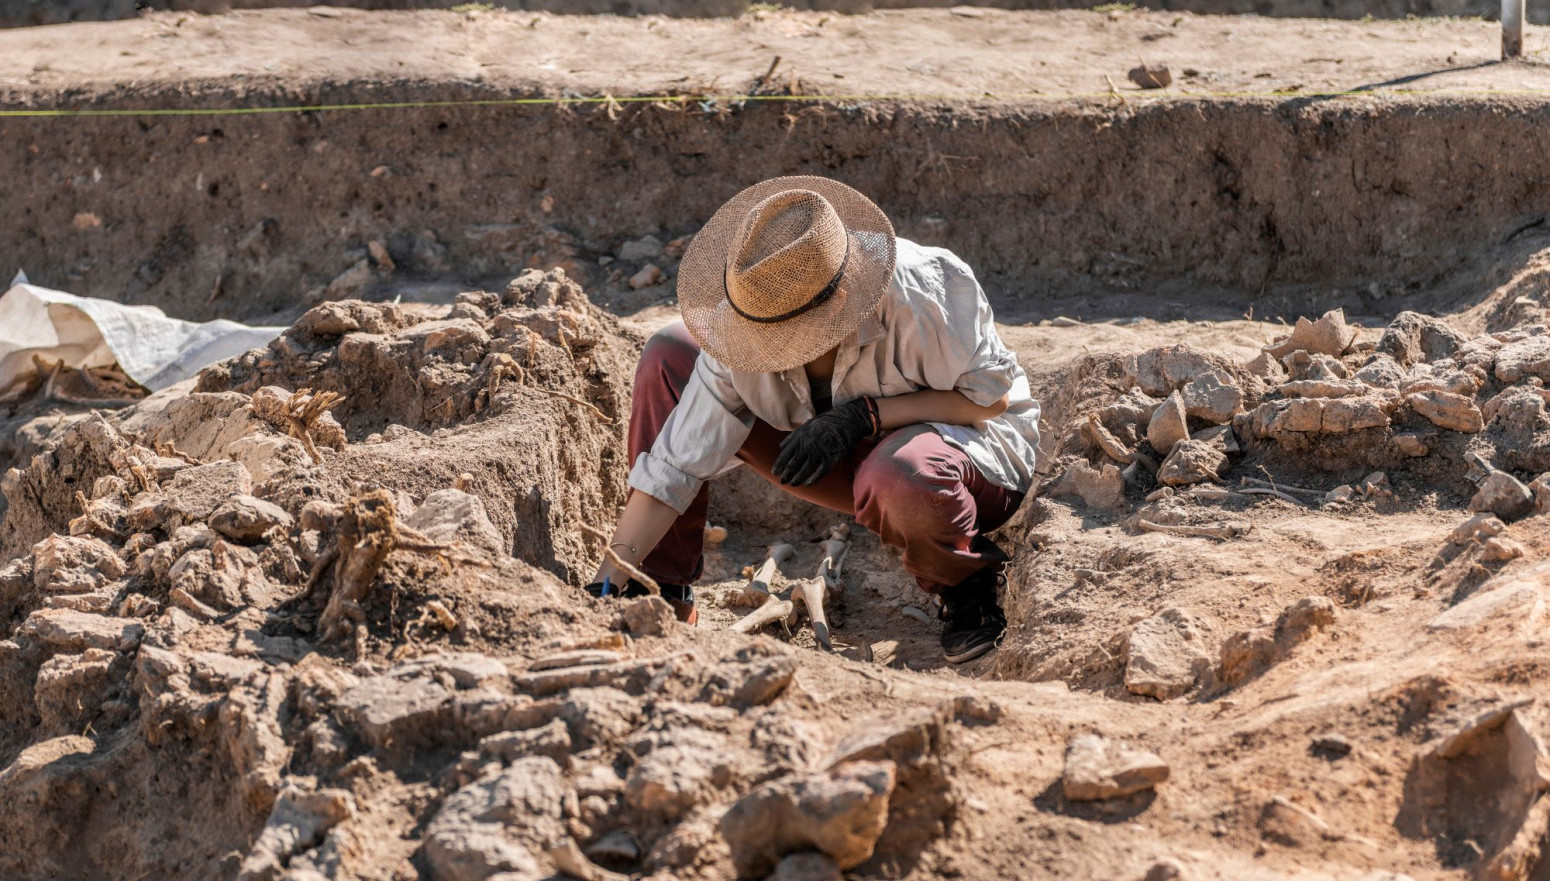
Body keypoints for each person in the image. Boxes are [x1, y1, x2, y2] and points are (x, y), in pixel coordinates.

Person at [587, 176, 1040, 663]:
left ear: (839, 302)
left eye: (789, 337)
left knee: (901, 472)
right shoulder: (751, 313)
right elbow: (676, 461)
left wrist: (865, 416)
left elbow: (989, 401)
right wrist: (612, 575)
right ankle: (656, 590)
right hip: (836, 460)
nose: (766, 351)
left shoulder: (926, 291)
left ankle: (965, 582)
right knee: (671, 352)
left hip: (965, 460)